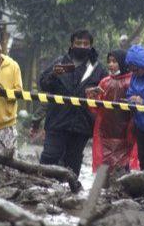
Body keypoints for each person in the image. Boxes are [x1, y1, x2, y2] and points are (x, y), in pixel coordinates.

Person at [39, 30, 107, 177]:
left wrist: (97, 93)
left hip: (82, 123)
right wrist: (53, 75)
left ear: (91, 46)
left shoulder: (97, 68)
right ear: (71, 44)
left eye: (85, 44)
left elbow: (106, 91)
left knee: (73, 161)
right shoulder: (60, 63)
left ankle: (70, 192)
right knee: (50, 155)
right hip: (57, 120)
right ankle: (41, 187)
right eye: (78, 43)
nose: (82, 46)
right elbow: (44, 85)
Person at [87, 50, 139, 175]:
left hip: (125, 133)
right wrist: (92, 95)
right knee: (105, 168)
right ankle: (103, 191)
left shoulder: (131, 81)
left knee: (122, 170)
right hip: (106, 131)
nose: (111, 65)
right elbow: (95, 107)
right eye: (109, 61)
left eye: (114, 61)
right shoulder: (105, 82)